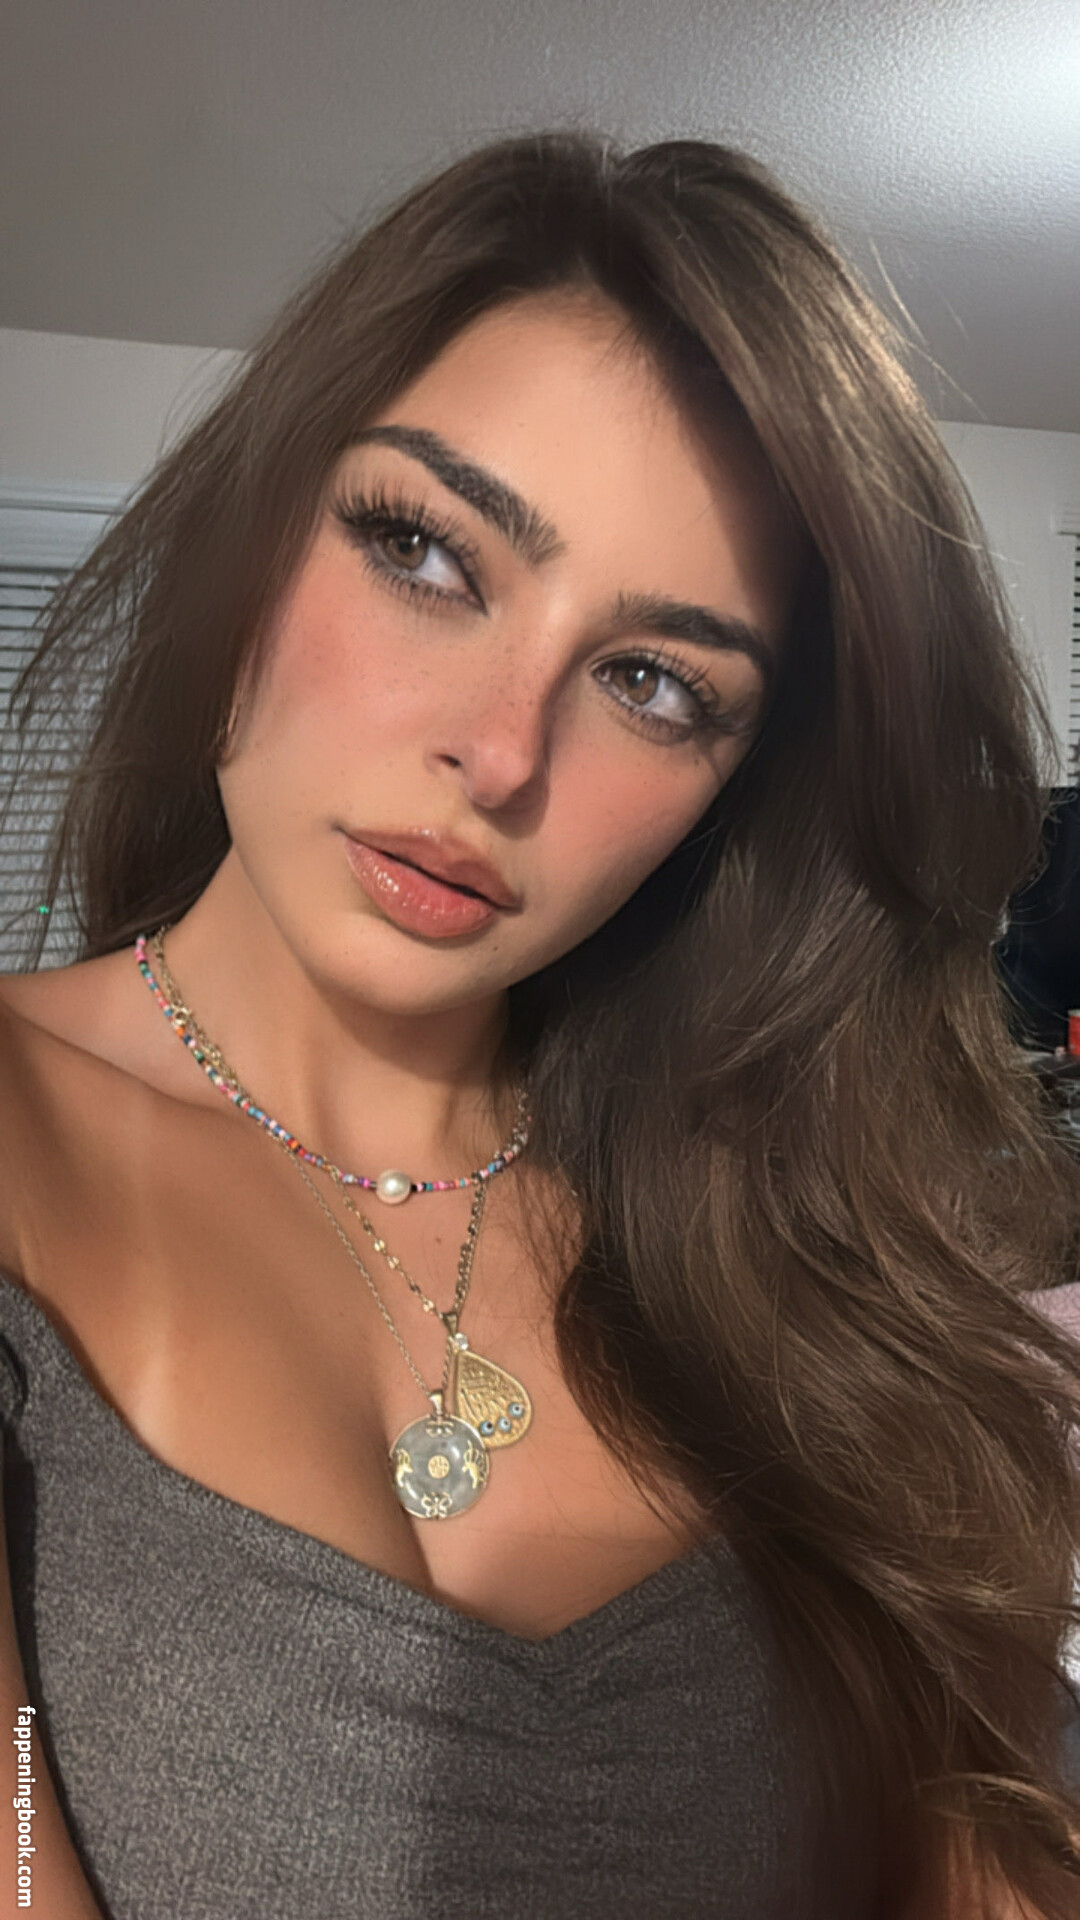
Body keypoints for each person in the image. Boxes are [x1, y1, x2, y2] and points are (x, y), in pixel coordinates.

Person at [0, 131, 1077, 1920]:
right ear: (257, 529)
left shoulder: (774, 1235)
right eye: (425, 551)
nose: (499, 757)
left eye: (654, 681)